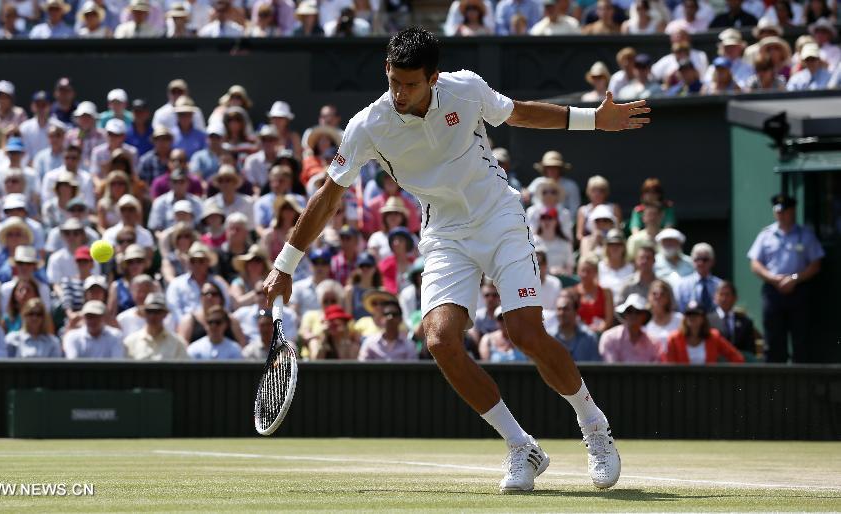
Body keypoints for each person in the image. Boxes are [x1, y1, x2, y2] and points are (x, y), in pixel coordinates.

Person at [264, 28, 650, 493]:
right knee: (440, 340)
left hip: (500, 217)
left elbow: (521, 113)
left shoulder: (465, 88)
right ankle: (520, 445)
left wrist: (594, 120)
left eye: (410, 84)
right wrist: (284, 265)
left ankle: (593, 425)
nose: (400, 93)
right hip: (445, 236)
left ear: (434, 77)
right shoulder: (368, 126)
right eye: (393, 82)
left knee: (524, 331)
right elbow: (327, 198)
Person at [747, 194, 823, 363]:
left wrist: (794, 279)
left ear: (793, 211)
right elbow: (755, 264)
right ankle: (775, 380)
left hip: (799, 290)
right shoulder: (766, 235)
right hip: (773, 291)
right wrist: (773, 279)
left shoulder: (806, 235)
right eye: (778, 211)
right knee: (774, 339)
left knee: (801, 337)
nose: (781, 215)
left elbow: (815, 264)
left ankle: (802, 379)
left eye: (785, 211)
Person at [661, 301, 744, 364]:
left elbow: (737, 358)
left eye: (696, 314)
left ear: (703, 318)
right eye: (689, 314)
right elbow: (668, 364)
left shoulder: (713, 337)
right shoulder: (674, 339)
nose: (692, 317)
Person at [124, 292, 189, 360]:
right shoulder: (130, 342)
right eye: (149, 311)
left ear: (165, 314)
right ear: (144, 313)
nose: (152, 316)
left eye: (157, 312)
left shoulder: (177, 343)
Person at [599, 293, 660, 363]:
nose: (633, 315)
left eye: (638, 311)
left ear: (644, 316)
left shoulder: (653, 343)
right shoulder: (610, 338)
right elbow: (611, 369)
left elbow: (655, 370)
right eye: (629, 311)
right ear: (624, 314)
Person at [708, 281, 759, 361]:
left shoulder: (746, 322)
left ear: (735, 298)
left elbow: (750, 352)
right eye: (721, 294)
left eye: (727, 295)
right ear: (715, 297)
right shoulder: (707, 321)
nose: (724, 299)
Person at [527, 151, 581, 216]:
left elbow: (574, 209)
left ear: (560, 169)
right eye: (548, 167)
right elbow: (526, 195)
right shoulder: (537, 182)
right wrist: (525, 193)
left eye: (555, 167)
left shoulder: (571, 185)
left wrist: (562, 223)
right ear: (544, 169)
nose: (551, 170)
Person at [570, 255, 614, 333]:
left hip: (600, 333)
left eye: (588, 271)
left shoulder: (606, 292)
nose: (585, 274)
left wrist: (599, 329)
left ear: (595, 272)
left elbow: (608, 320)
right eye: (582, 270)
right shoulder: (572, 293)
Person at [552, 292, 601, 361]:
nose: (562, 313)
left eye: (566, 309)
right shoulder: (548, 338)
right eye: (559, 309)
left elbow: (596, 367)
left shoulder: (589, 338)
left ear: (575, 311)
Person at [675, 243, 721, 313]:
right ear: (692, 261)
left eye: (705, 259)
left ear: (712, 261)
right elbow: (679, 310)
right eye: (697, 259)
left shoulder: (719, 285)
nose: (701, 263)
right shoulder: (682, 285)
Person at [644, 279, 682, 352]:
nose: (658, 296)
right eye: (654, 294)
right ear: (649, 297)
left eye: (662, 294)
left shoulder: (679, 319)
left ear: (668, 298)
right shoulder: (644, 321)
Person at [598, 229, 634, 300]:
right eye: (611, 244)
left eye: (618, 244)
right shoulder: (599, 267)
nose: (615, 247)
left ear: (624, 247)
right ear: (606, 247)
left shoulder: (632, 268)